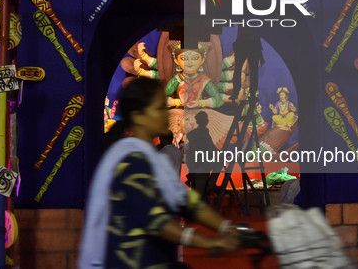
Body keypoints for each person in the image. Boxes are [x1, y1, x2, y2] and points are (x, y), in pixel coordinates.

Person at [78, 78, 239, 269]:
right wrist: (211, 242)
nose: (166, 114)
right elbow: (156, 221)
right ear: (139, 116)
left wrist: (227, 228)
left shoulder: (154, 160)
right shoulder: (130, 161)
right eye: (160, 108)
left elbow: (190, 203)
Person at [185, 111, 221, 199]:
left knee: (197, 192)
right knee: (199, 195)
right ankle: (210, 184)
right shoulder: (203, 132)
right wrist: (220, 153)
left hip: (194, 166)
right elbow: (211, 145)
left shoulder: (192, 134)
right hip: (201, 166)